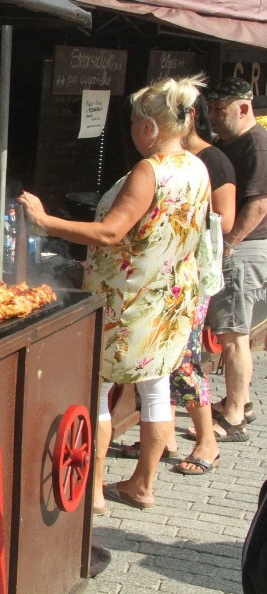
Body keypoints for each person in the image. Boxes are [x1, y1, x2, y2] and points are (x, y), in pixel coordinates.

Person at [18, 74, 211, 511]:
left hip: (128, 300)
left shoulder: (151, 169)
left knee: (98, 385)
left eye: (133, 122)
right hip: (170, 296)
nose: (131, 130)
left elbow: (110, 232)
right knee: (156, 388)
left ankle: (97, 486)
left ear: (149, 126)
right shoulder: (197, 166)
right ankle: (143, 485)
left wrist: (46, 222)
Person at [122, 93, 235, 475]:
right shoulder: (176, 162)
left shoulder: (208, 161)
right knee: (162, 367)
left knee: (183, 362)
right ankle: (165, 438)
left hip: (185, 277)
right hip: (169, 278)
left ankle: (208, 442)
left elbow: (227, 219)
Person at [190, 76, 267, 443]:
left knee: (234, 334)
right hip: (237, 247)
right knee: (232, 329)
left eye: (222, 111)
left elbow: (259, 204)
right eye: (212, 111)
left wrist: (230, 245)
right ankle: (242, 401)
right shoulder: (230, 142)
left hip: (245, 247)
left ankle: (234, 416)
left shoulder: (256, 144)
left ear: (243, 107)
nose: (216, 119)